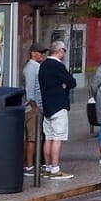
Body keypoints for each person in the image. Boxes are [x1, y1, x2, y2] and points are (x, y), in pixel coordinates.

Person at [37, 41, 77, 179]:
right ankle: (55, 168)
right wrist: (64, 84)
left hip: (47, 106)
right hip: (59, 106)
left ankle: (47, 167)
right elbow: (72, 82)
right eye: (64, 50)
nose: (64, 53)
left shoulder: (43, 65)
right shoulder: (58, 66)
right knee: (57, 138)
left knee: (48, 137)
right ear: (60, 50)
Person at [22, 42, 46, 176]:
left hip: (34, 106)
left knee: (33, 137)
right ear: (33, 53)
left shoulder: (35, 66)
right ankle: (29, 165)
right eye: (40, 52)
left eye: (43, 52)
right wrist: (34, 106)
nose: (42, 54)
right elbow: (29, 89)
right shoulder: (32, 68)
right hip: (32, 108)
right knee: (32, 137)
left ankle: (31, 163)